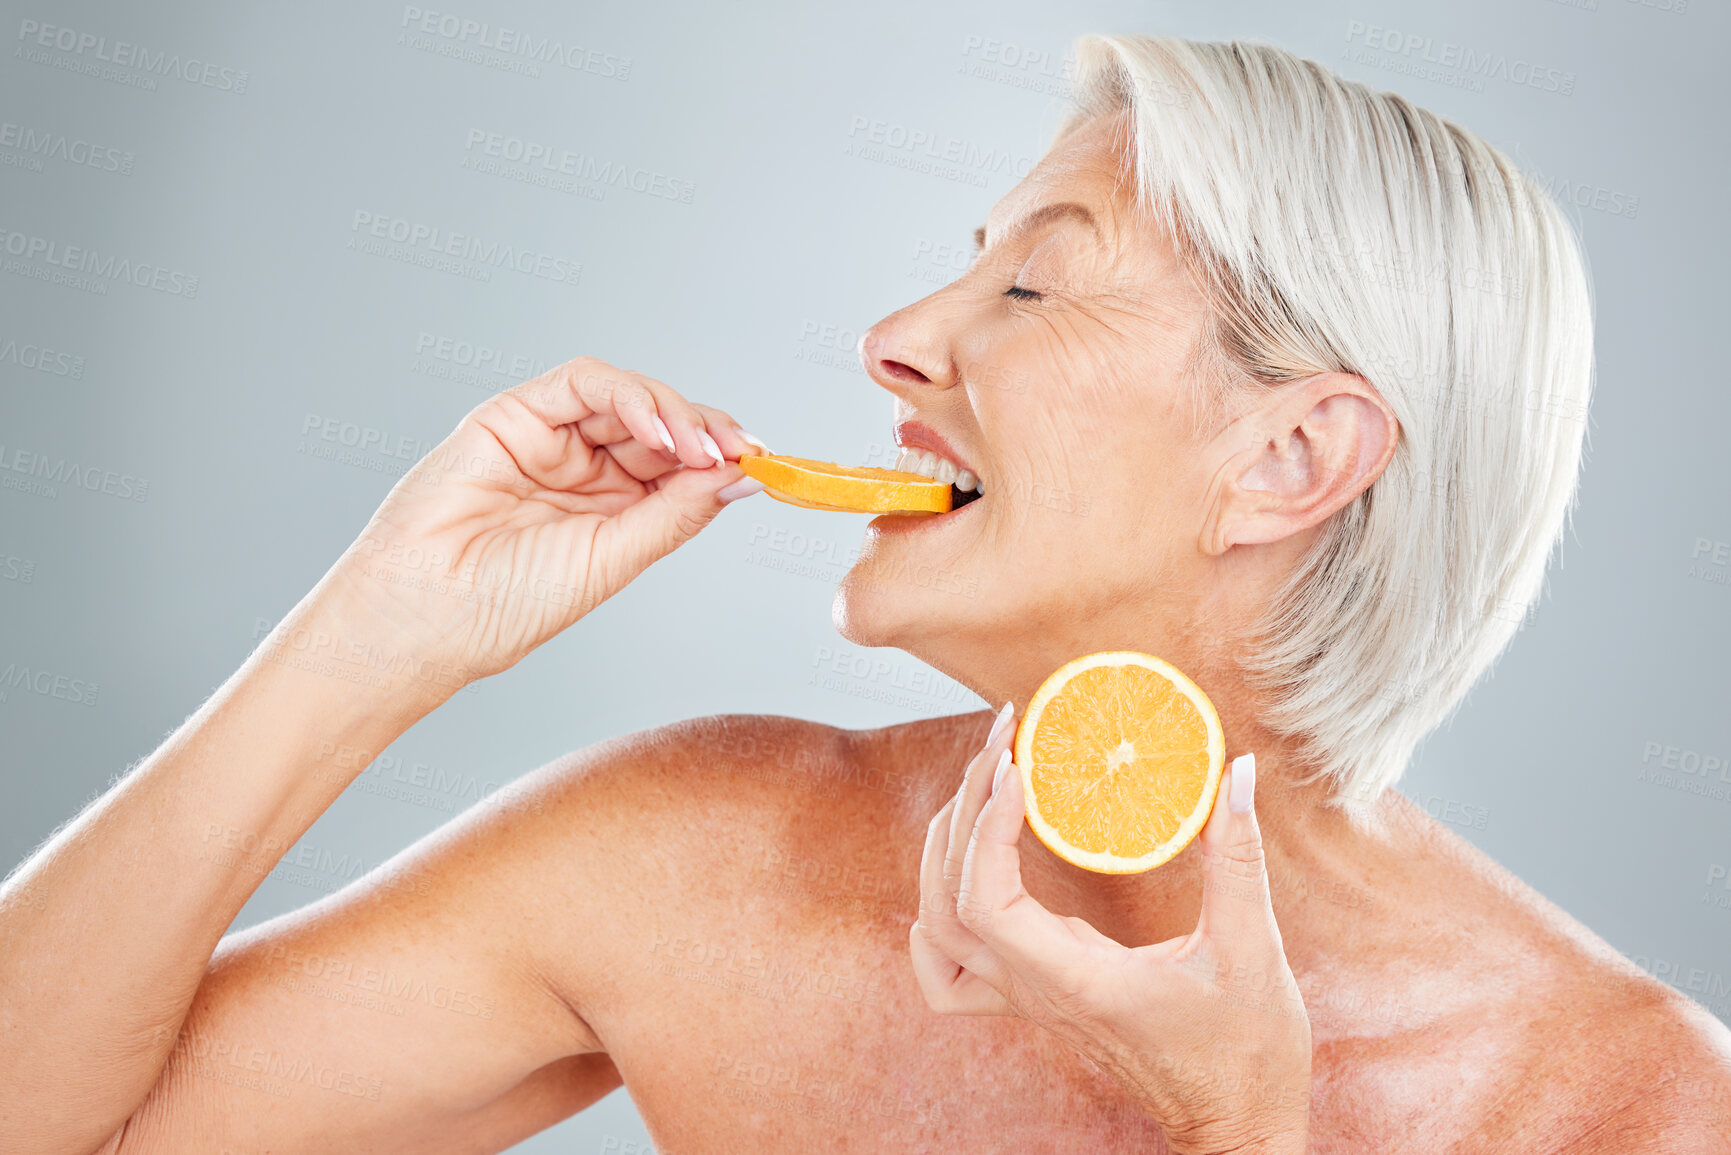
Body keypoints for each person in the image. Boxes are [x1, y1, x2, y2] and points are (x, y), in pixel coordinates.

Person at [3, 33, 1728, 1155]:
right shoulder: (707, 855)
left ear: (1289, 460)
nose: (900, 336)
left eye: (1037, 286)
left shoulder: (1619, 1102)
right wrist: (368, 643)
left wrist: (1237, 1132)